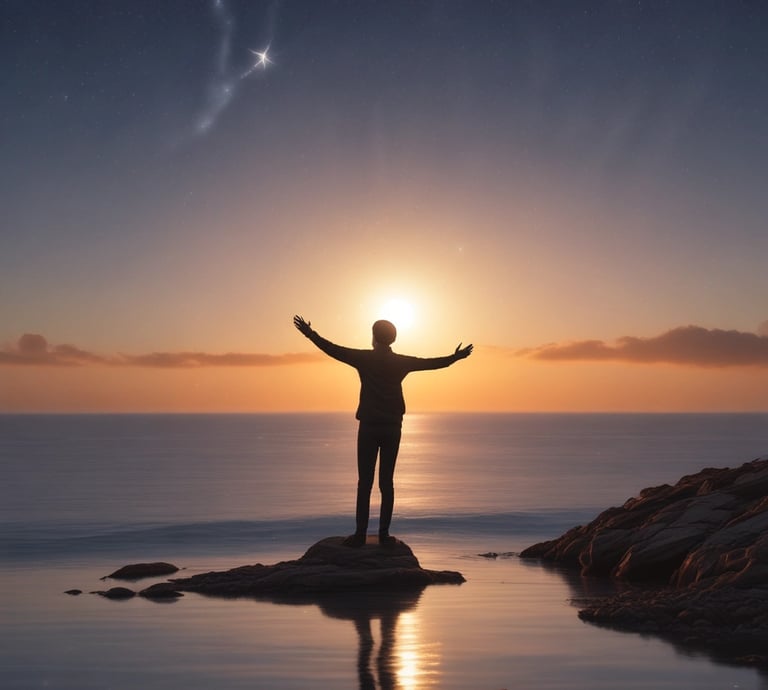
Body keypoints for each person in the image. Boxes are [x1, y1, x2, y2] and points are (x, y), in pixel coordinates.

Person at [293, 314, 473, 547]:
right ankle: (384, 535)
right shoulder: (400, 362)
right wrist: (455, 357)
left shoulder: (364, 359)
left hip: (369, 426)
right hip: (392, 427)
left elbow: (331, 349)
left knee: (365, 482)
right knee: (386, 482)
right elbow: (432, 363)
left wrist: (309, 333)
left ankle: (360, 535)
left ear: (374, 338)